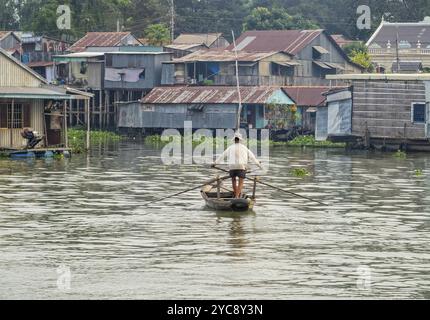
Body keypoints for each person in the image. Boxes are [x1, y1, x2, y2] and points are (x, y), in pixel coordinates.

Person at [212, 132, 263, 199]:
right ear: (240, 140)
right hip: (241, 167)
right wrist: (259, 165)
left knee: (233, 180)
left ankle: (236, 195)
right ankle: (236, 196)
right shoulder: (244, 148)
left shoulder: (230, 148)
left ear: (234, 140)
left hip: (232, 167)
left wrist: (214, 164)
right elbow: (252, 158)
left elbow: (222, 156)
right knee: (241, 182)